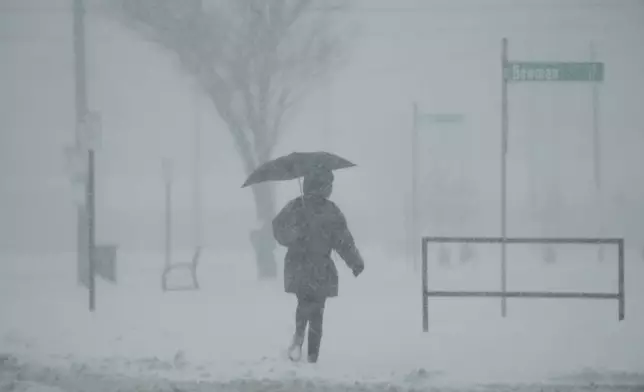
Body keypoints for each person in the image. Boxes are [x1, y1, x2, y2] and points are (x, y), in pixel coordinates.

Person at [272, 168, 364, 363]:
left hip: (298, 266)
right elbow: (343, 241)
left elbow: (278, 228)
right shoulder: (331, 211)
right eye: (329, 184)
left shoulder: (296, 206)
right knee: (317, 312)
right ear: (324, 187)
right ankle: (313, 355)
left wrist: (293, 235)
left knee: (303, 302)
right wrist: (354, 262)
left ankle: (298, 335)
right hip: (320, 267)